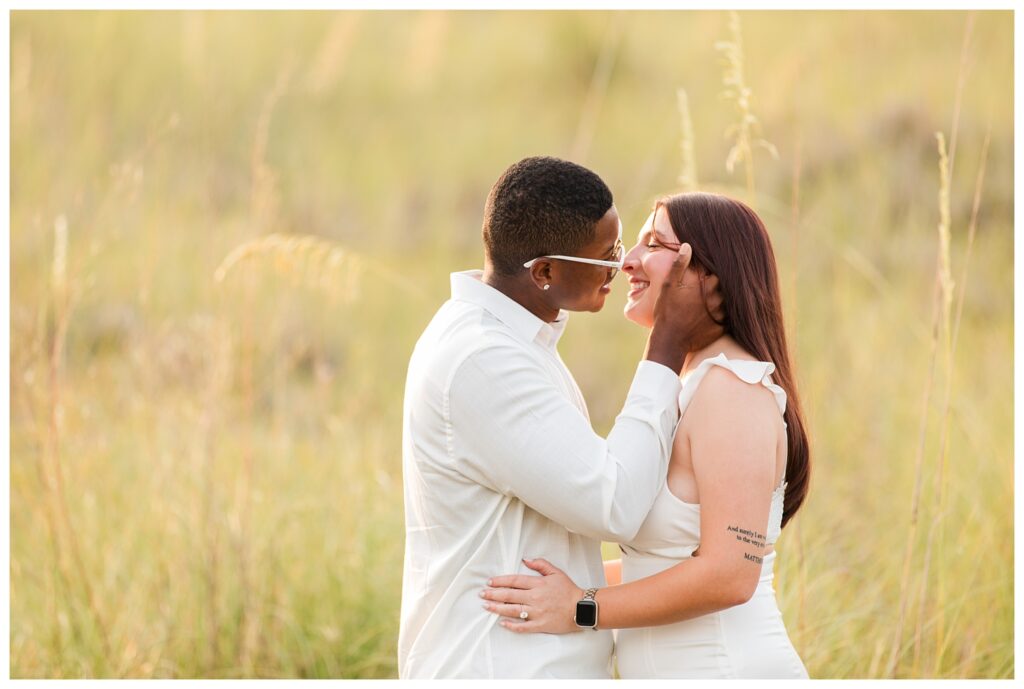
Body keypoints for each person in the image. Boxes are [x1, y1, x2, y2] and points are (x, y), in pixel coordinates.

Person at [398, 158, 724, 678]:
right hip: (499, 666)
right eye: (605, 255)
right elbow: (614, 505)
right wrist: (666, 344)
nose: (621, 267)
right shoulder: (484, 361)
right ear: (545, 271)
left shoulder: (510, 337)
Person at [481, 192, 811, 679]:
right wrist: (552, 584)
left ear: (710, 277)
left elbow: (731, 574)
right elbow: (662, 565)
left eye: (654, 244)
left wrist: (583, 606)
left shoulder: (732, 390)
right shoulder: (691, 386)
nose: (628, 262)